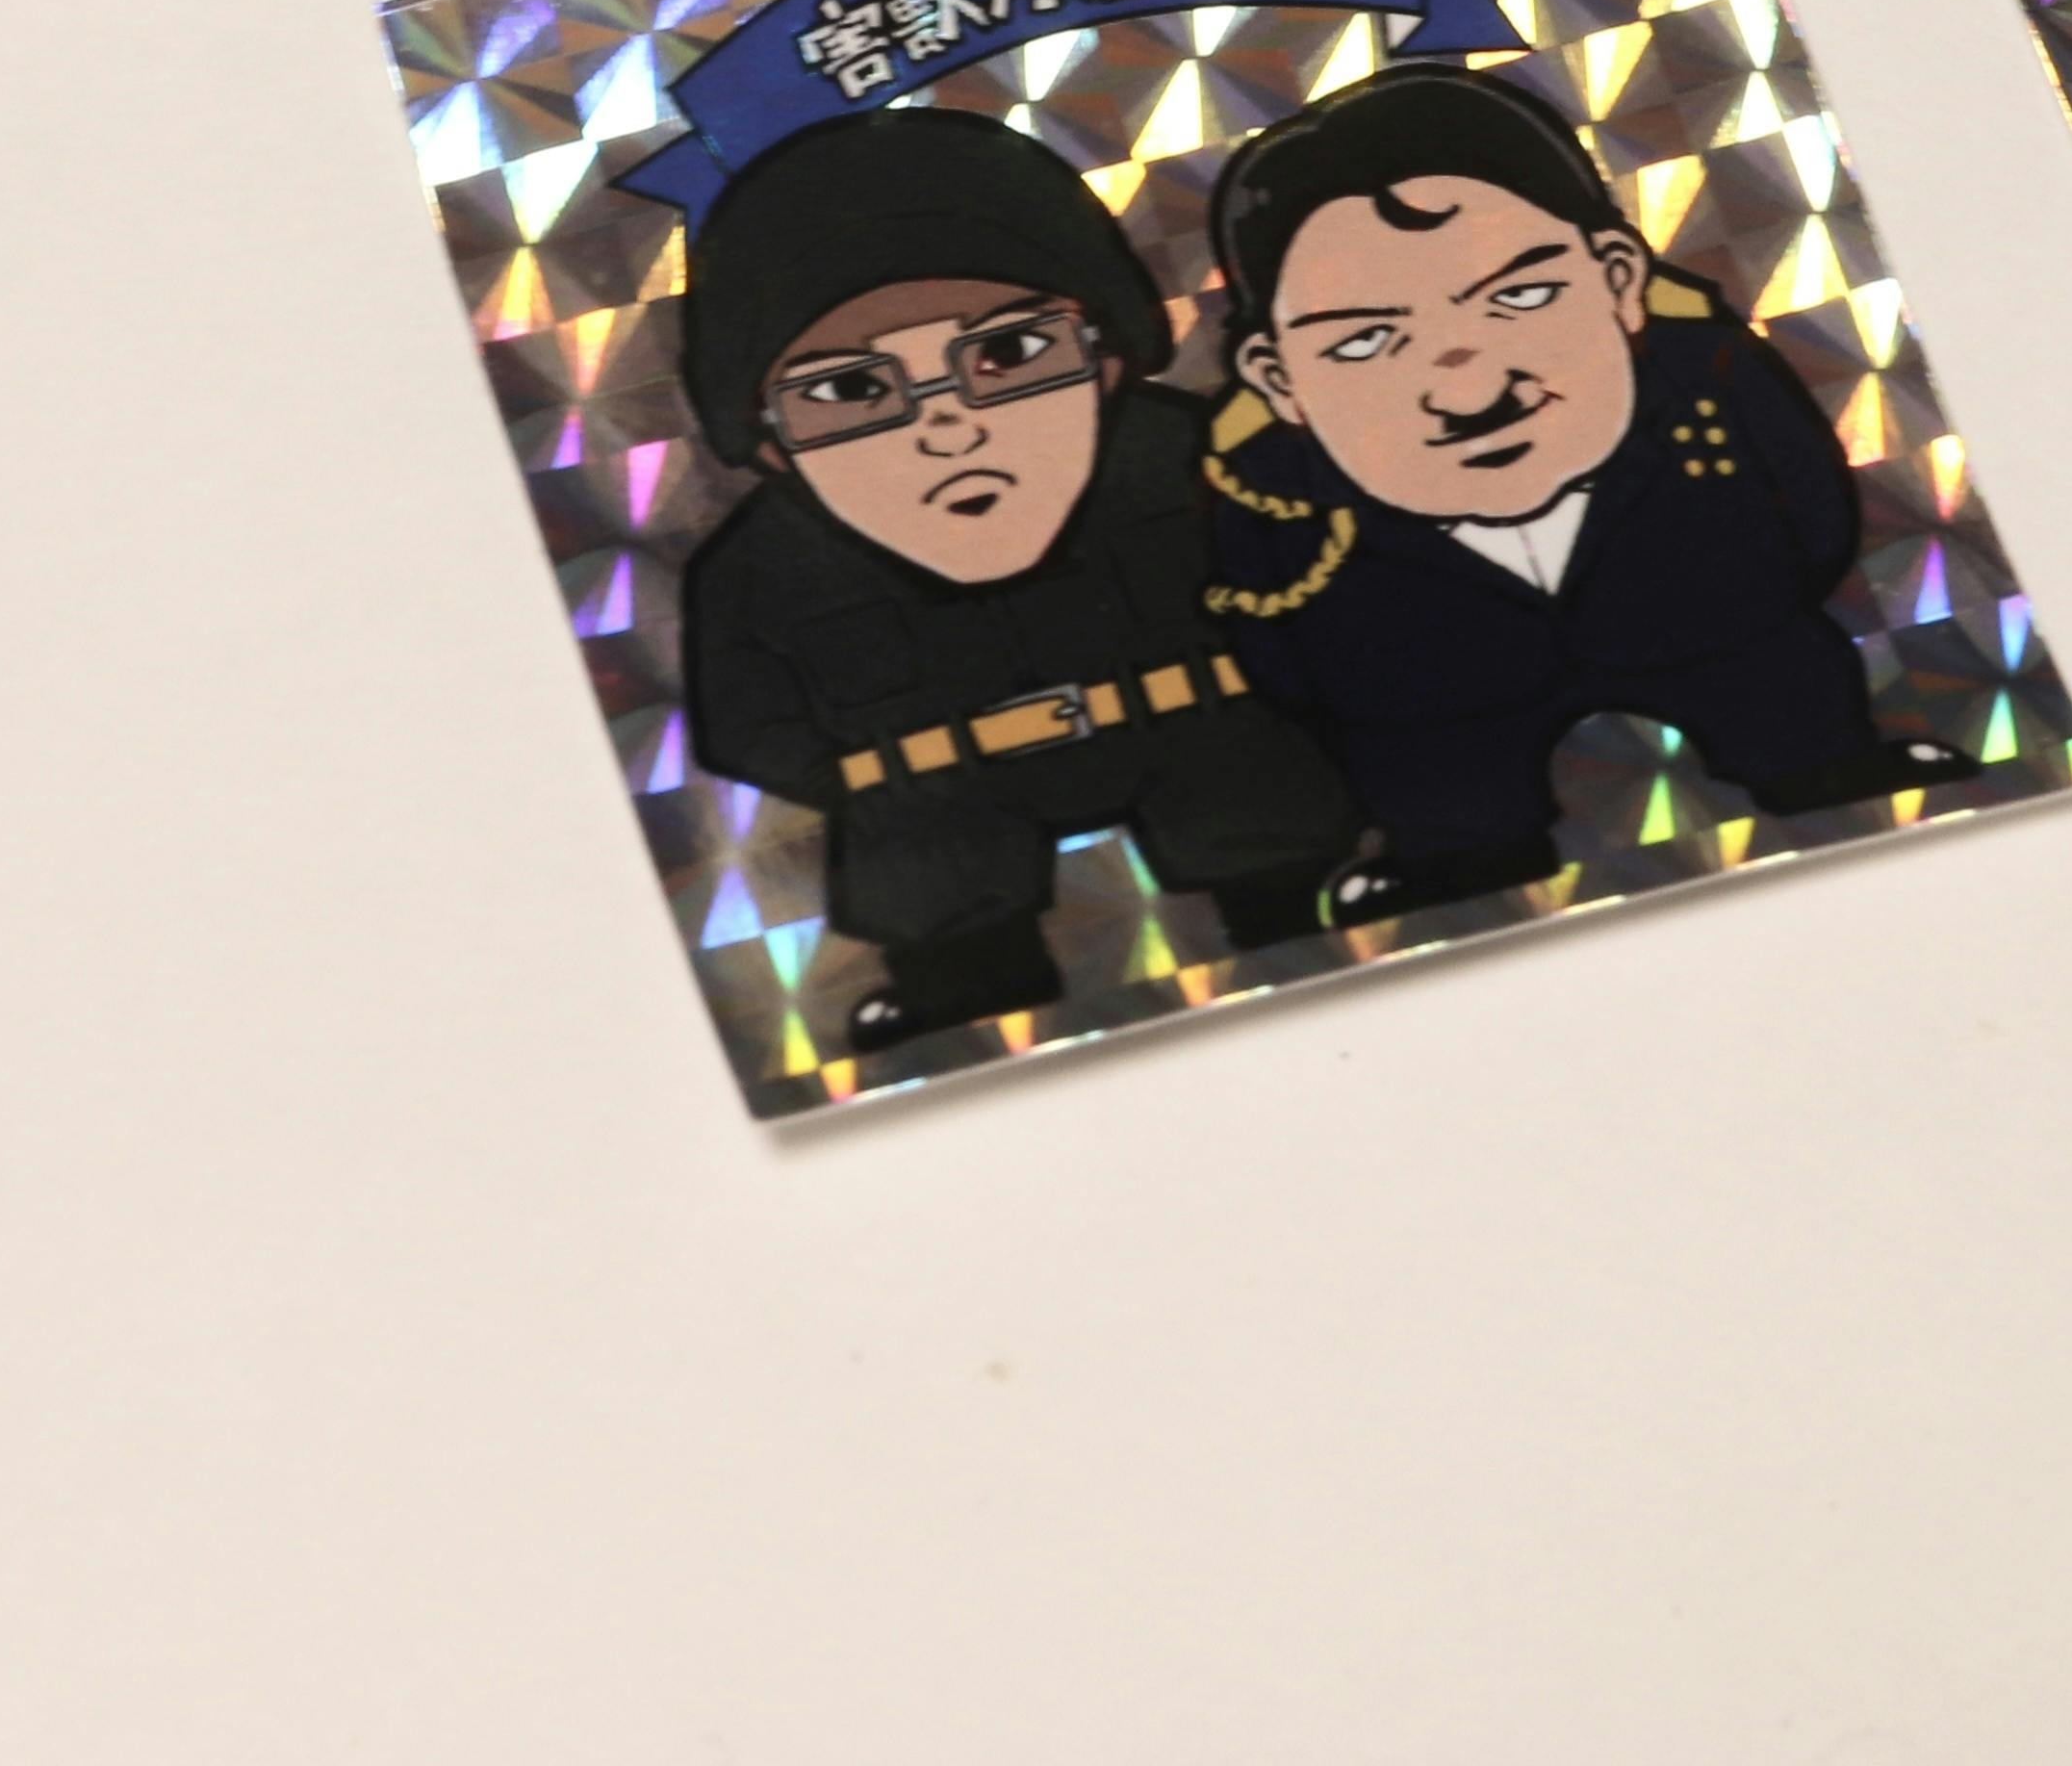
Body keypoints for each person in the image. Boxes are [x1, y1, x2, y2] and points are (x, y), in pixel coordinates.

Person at [1193, 64, 1976, 922]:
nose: (1469, 392)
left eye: (1521, 296)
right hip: (1440, 706)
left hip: (1721, 636)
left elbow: (1812, 513)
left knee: (1786, 703)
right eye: (1363, 342)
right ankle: (1455, 853)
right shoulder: (1269, 492)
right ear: (1278, 378)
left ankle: (1823, 764)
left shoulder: (1709, 379)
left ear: (1617, 278)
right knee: (1442, 798)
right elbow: (1278, 644)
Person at [667, 110, 1356, 1054]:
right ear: (771, 442)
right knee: (936, 898)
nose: (948, 425)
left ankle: (1300, 906)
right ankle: (956, 985)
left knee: (1271, 833)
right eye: (850, 391)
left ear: (1105, 358)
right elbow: (743, 716)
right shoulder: (763, 565)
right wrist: (869, 771)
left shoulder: (1190, 460)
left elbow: (1319, 575)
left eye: (1009, 355)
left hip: (1209, 736)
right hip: (932, 798)